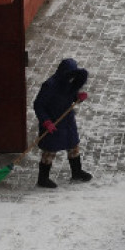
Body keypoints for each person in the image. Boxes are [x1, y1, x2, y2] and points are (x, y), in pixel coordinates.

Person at [33, 58, 93, 188]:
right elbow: (38, 105)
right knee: (50, 150)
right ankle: (43, 179)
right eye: (69, 75)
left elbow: (70, 96)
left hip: (67, 120)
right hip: (52, 122)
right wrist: (46, 121)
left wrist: (78, 98)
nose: (71, 78)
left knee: (73, 145)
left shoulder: (69, 83)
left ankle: (76, 172)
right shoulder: (49, 85)